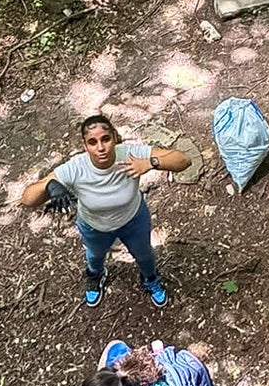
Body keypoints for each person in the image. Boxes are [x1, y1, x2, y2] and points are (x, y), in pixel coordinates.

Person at [19, 115, 190, 308]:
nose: (100, 148)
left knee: (144, 255)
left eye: (105, 139)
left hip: (133, 219)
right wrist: (50, 185)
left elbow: (183, 160)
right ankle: (95, 276)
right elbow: (27, 199)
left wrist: (152, 162)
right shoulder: (76, 167)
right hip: (94, 225)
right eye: (92, 142)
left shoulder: (131, 153)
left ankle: (150, 279)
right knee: (95, 255)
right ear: (85, 146)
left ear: (115, 138)